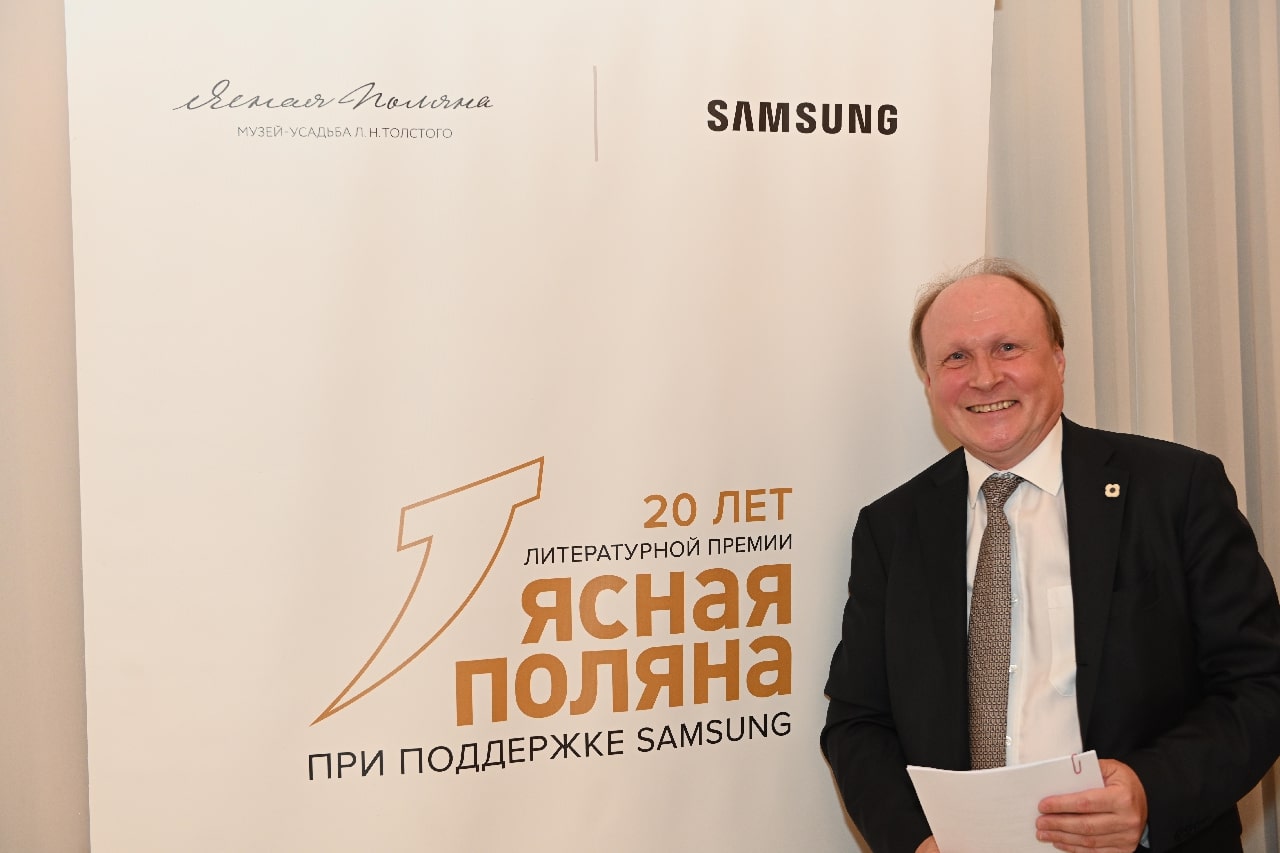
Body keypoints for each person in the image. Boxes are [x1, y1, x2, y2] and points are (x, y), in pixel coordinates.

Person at [821, 258, 1280, 853]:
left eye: (1007, 347)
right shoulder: (890, 528)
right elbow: (858, 719)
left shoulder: (1175, 489)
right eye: (955, 357)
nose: (984, 378)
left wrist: (1150, 790)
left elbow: (1259, 684)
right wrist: (915, 841)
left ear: (1058, 361)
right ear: (929, 382)